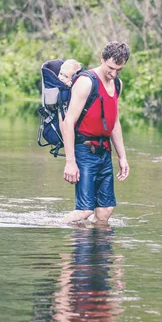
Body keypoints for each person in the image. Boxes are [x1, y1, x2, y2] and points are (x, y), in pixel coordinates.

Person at [60, 41, 131, 225]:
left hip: (104, 153)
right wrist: (70, 162)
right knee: (84, 211)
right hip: (84, 151)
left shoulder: (117, 84)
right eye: (111, 68)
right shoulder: (86, 82)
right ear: (102, 58)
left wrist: (122, 157)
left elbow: (114, 123)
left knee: (105, 211)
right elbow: (68, 122)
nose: (114, 73)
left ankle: (97, 251)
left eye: (119, 69)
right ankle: (50, 227)